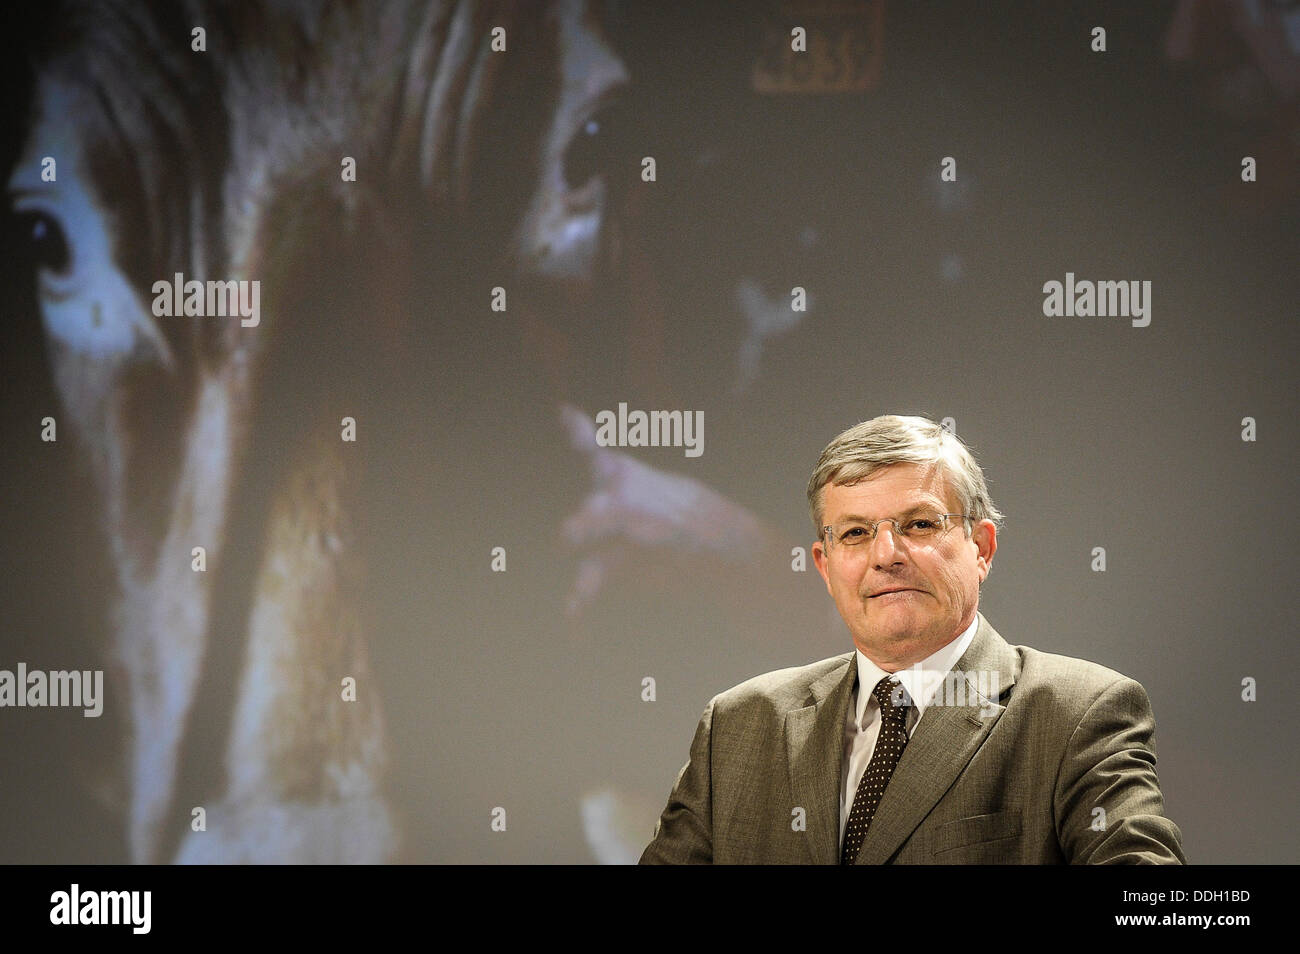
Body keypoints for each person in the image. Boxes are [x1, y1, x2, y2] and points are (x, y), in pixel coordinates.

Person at [639, 414, 1186, 864]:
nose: (886, 554)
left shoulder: (1077, 714)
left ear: (982, 548)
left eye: (920, 524)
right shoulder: (737, 725)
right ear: (826, 567)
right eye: (855, 533)